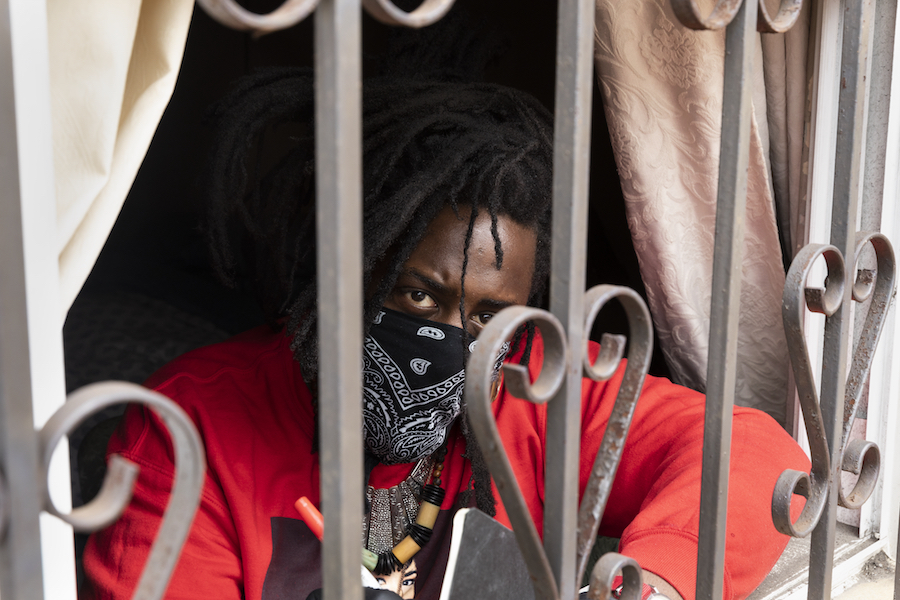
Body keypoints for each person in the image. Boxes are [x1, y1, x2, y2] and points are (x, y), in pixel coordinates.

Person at [81, 68, 809, 600]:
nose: (452, 342)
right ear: (346, 267)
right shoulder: (189, 436)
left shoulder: (529, 387)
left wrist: (651, 584)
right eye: (420, 294)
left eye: (489, 316)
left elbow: (753, 460)